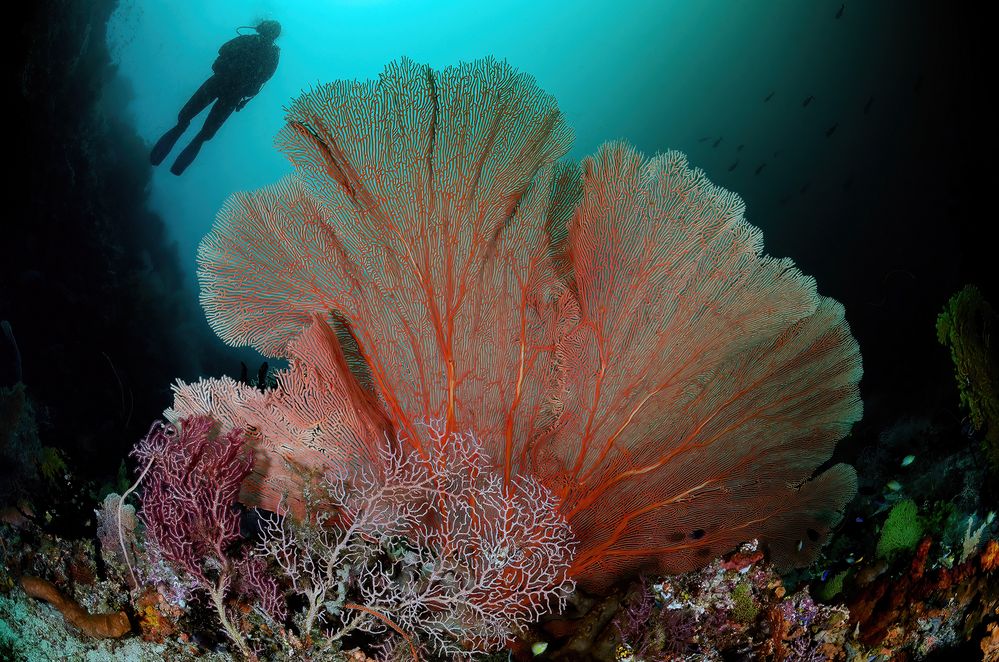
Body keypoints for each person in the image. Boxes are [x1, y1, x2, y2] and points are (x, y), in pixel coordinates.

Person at [150, 20, 281, 176]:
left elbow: (224, 50)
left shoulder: (247, 40)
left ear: (262, 28)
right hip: (234, 94)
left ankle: (176, 135)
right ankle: (181, 155)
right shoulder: (272, 55)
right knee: (204, 134)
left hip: (218, 82)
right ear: (275, 36)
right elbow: (264, 78)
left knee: (186, 118)